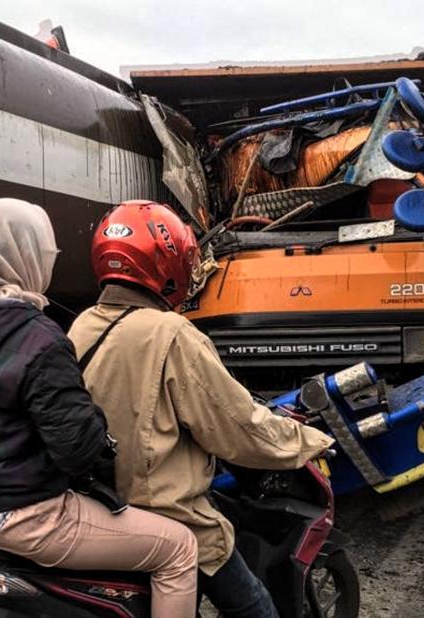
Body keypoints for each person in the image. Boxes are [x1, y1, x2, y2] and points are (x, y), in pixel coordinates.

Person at [0, 198, 198, 618]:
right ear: (22, 258)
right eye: (44, 254)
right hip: (31, 516)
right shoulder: (37, 337)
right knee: (178, 549)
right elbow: (76, 449)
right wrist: (100, 427)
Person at [67, 200, 334, 618]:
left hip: (103, 508)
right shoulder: (171, 332)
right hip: (167, 513)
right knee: (257, 607)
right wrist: (309, 441)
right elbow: (236, 427)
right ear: (166, 262)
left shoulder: (82, 325)